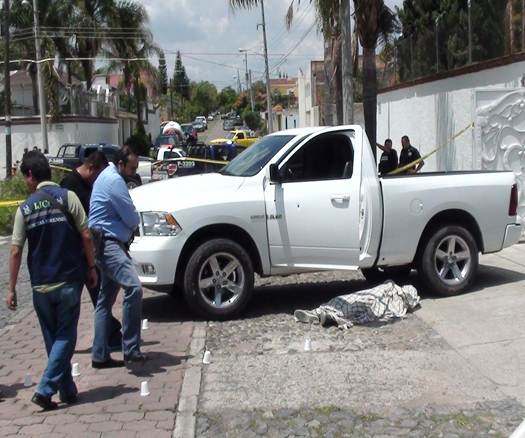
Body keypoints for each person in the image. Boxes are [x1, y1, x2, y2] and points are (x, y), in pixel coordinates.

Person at [7, 151, 97, 411]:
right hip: (69, 279)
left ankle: (67, 389)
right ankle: (46, 389)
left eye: (25, 177)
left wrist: (11, 289)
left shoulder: (24, 209)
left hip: (40, 285)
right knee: (66, 337)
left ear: (32, 176)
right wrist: (92, 267)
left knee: (52, 339)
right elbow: (86, 235)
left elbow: (15, 250)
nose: (26, 182)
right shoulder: (68, 198)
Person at [89, 146, 146, 368]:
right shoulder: (114, 180)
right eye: (131, 168)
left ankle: (100, 354)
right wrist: (132, 225)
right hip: (109, 244)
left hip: (102, 242)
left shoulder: (107, 177)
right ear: (120, 164)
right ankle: (130, 348)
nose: (133, 173)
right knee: (134, 288)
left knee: (104, 301)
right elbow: (131, 216)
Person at [60, 152, 122, 352]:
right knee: (76, 302)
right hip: (76, 254)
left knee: (101, 296)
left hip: (89, 251)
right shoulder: (70, 185)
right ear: (92, 168)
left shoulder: (87, 184)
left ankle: (110, 336)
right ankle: (64, 343)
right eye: (100, 175)